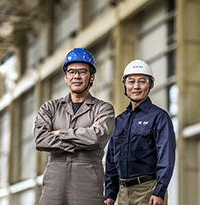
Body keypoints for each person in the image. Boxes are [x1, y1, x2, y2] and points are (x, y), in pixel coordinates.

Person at [34, 47, 115, 205]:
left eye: (82, 71)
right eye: (71, 72)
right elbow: (40, 140)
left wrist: (58, 133)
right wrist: (79, 142)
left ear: (91, 77)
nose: (76, 76)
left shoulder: (103, 109)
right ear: (65, 77)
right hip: (54, 185)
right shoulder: (50, 108)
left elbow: (96, 138)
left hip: (88, 185)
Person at [104, 60, 176, 205]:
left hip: (148, 191)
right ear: (125, 85)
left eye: (142, 81)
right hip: (122, 194)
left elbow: (166, 157)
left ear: (151, 85)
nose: (136, 86)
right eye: (131, 81)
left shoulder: (159, 117)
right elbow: (111, 160)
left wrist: (159, 191)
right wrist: (110, 194)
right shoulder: (119, 121)